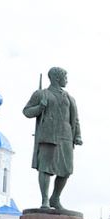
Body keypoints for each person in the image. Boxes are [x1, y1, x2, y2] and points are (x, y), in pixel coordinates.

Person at [21, 66, 82, 210]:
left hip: (66, 137)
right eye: (65, 77)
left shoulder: (69, 97)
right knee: (46, 168)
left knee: (66, 170)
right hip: (49, 135)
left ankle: (55, 198)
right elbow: (27, 111)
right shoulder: (41, 94)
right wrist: (40, 108)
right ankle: (45, 200)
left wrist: (78, 135)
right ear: (56, 78)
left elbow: (75, 118)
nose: (67, 80)